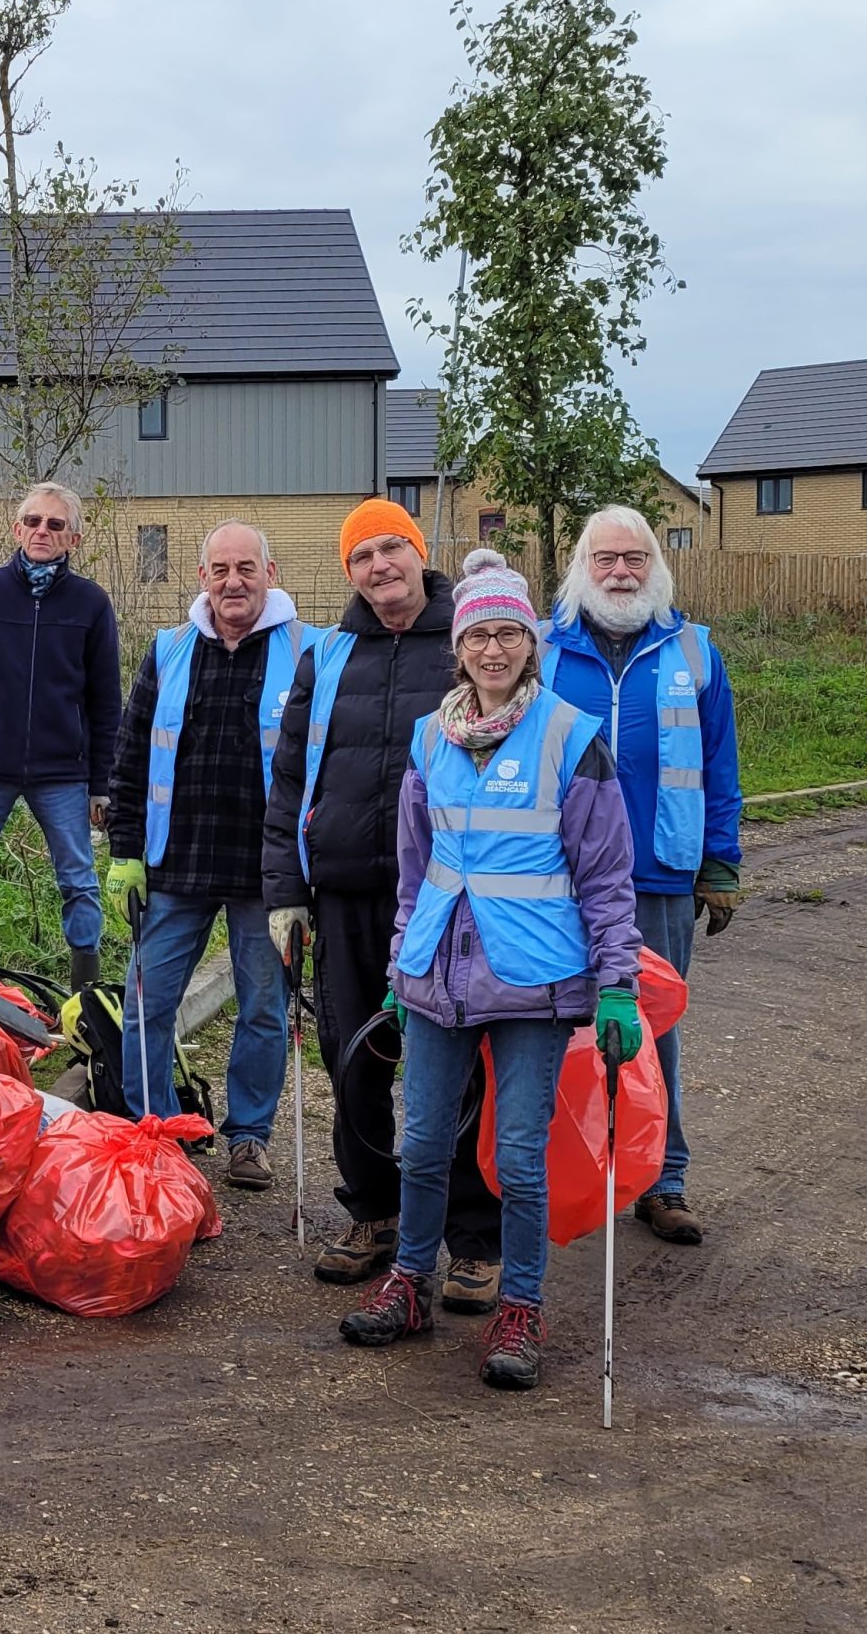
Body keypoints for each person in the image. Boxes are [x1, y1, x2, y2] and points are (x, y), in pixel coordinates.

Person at [338, 551, 642, 1390]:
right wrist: (402, 963)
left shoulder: (571, 737)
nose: (493, 649)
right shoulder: (430, 737)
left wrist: (618, 985)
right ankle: (409, 1282)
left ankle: (521, 1306)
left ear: (531, 645)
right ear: (459, 646)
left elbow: (607, 878)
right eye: (478, 635)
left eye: (509, 633)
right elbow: (417, 867)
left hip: (533, 978)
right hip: (437, 972)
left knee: (517, 1155)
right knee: (423, 1143)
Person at [263, 501, 503, 1306]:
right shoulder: (327, 654)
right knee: (353, 1057)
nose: (379, 565)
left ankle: (473, 1236)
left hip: (450, 896)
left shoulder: (468, 641)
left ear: (419, 552)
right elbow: (290, 777)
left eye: (392, 547)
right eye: (361, 555)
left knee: (459, 1064)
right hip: (344, 890)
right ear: (350, 572)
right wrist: (285, 890)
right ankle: (375, 1212)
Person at [540, 506, 742, 1245]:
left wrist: (720, 861)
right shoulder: (540, 648)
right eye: (606, 559)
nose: (621, 572)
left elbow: (719, 762)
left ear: (655, 566)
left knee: (653, 1030)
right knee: (550, 1029)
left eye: (635, 558)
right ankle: (550, 1174)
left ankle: (662, 1179)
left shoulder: (695, 652)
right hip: (555, 877)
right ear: (581, 567)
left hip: (660, 872)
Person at [103, 523, 309, 1185]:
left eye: (246, 568)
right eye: (220, 569)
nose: (233, 581)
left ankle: (249, 1136)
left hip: (266, 872)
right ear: (202, 577)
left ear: (270, 573)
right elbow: (130, 757)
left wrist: (311, 870)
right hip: (175, 863)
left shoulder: (308, 651)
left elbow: (327, 764)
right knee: (146, 1003)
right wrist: (125, 852)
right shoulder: (169, 650)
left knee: (262, 1009)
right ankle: (159, 1127)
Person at [0, 482, 121, 989]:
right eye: (33, 521)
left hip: (64, 773)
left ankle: (86, 995)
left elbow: (105, 702)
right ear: (17, 529)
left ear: (73, 539)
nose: (42, 531)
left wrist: (102, 784)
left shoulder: (91, 604)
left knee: (79, 883)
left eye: (55, 524)